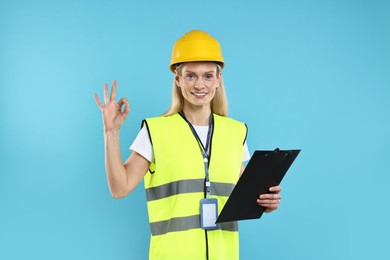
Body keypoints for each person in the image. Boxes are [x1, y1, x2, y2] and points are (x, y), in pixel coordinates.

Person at [94, 30, 282, 260]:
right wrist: (110, 132)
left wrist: (267, 202)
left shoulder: (235, 132)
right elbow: (119, 188)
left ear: (218, 79)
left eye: (208, 76)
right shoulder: (156, 131)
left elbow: (244, 198)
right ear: (178, 79)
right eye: (191, 75)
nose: (199, 84)